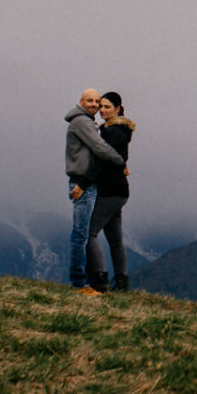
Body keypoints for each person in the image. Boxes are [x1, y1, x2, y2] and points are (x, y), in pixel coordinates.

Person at [65, 87, 127, 292]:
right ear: (81, 102)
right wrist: (121, 162)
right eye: (91, 101)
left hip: (100, 187)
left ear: (117, 109)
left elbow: (99, 155)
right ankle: (84, 282)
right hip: (89, 184)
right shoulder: (85, 123)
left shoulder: (102, 128)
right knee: (87, 235)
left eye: (98, 102)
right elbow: (100, 150)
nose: (96, 106)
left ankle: (95, 281)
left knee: (87, 234)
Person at [86, 91, 135, 292]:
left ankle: (100, 280)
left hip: (110, 190)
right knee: (115, 240)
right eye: (101, 106)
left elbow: (104, 160)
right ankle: (122, 282)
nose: (102, 110)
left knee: (90, 233)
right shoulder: (119, 130)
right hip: (119, 190)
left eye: (107, 107)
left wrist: (84, 182)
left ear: (118, 109)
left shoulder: (112, 132)